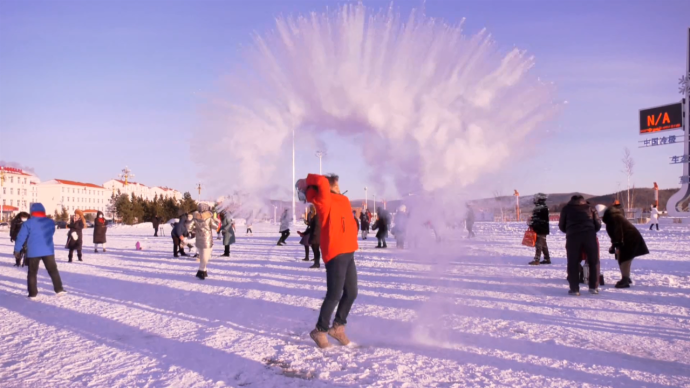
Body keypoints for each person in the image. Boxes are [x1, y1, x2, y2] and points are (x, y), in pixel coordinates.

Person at [297, 173, 358, 348]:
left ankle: (338, 327)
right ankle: (320, 330)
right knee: (334, 294)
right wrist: (306, 181)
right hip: (335, 251)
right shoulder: (325, 200)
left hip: (348, 250)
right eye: (336, 186)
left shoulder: (342, 200)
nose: (339, 189)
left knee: (351, 292)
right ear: (328, 188)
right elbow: (322, 181)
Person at [13, 203, 65, 298]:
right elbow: (52, 232)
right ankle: (59, 289)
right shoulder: (50, 222)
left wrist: (17, 250)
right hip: (48, 250)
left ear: (32, 212)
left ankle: (32, 293)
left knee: (32, 272)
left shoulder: (28, 223)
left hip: (33, 251)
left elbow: (21, 237)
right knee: (53, 270)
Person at [559, 195, 602, 295]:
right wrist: (591, 231)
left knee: (573, 262)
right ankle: (593, 287)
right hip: (589, 236)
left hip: (573, 237)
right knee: (593, 261)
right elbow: (598, 224)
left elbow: (562, 226)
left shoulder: (566, 209)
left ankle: (574, 289)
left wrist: (570, 230)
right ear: (583, 200)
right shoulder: (590, 208)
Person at [602, 202, 649, 288]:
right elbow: (616, 233)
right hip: (629, 239)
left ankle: (625, 279)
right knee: (624, 258)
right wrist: (614, 245)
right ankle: (626, 277)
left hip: (630, 240)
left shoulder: (613, 218)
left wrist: (617, 244)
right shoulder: (614, 216)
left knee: (624, 259)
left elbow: (617, 232)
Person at [189, 204, 219, 279]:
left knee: (202, 256)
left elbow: (189, 227)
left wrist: (195, 229)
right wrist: (217, 221)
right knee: (205, 257)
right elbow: (216, 227)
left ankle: (204, 271)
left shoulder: (195, 218)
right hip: (207, 240)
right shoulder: (209, 218)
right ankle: (201, 272)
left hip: (199, 239)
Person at [528, 193, 551, 265]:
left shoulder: (540, 208)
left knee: (538, 244)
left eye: (536, 198)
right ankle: (547, 259)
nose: (534, 200)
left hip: (540, 229)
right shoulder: (543, 207)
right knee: (543, 245)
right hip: (542, 228)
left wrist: (532, 223)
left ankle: (536, 260)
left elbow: (538, 219)